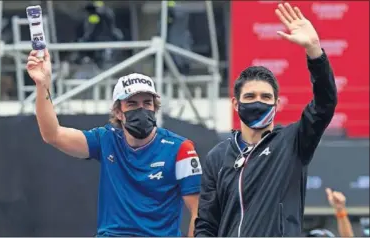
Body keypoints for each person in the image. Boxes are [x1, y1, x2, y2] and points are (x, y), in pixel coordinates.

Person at [194, 3, 337, 237]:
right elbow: (207, 224)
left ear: (276, 104)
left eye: (266, 97)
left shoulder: (293, 143)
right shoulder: (218, 157)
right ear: (235, 104)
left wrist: (314, 51)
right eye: (250, 96)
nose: (258, 102)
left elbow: (325, 104)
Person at [26, 49, 202, 236]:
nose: (141, 110)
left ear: (155, 107)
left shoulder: (181, 149)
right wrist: (42, 84)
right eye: (132, 104)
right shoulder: (106, 139)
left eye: (147, 103)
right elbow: (53, 134)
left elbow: (198, 211)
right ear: (118, 112)